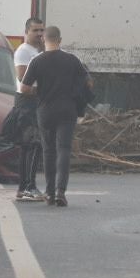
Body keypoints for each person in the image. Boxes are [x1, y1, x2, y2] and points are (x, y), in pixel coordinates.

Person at [21, 25, 92, 207]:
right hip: (67, 110)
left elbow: (24, 88)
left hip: (45, 111)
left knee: (48, 151)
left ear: (44, 39)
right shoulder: (72, 60)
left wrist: (41, 91)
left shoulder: (37, 61)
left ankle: (49, 193)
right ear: (60, 40)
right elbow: (88, 82)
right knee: (64, 150)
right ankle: (61, 192)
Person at [12, 17, 47, 201]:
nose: (40, 34)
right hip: (27, 102)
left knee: (31, 146)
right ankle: (28, 187)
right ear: (27, 32)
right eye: (36, 30)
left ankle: (25, 187)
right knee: (32, 145)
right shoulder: (24, 51)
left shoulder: (39, 50)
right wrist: (44, 89)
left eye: (42, 30)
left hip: (36, 102)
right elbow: (22, 78)